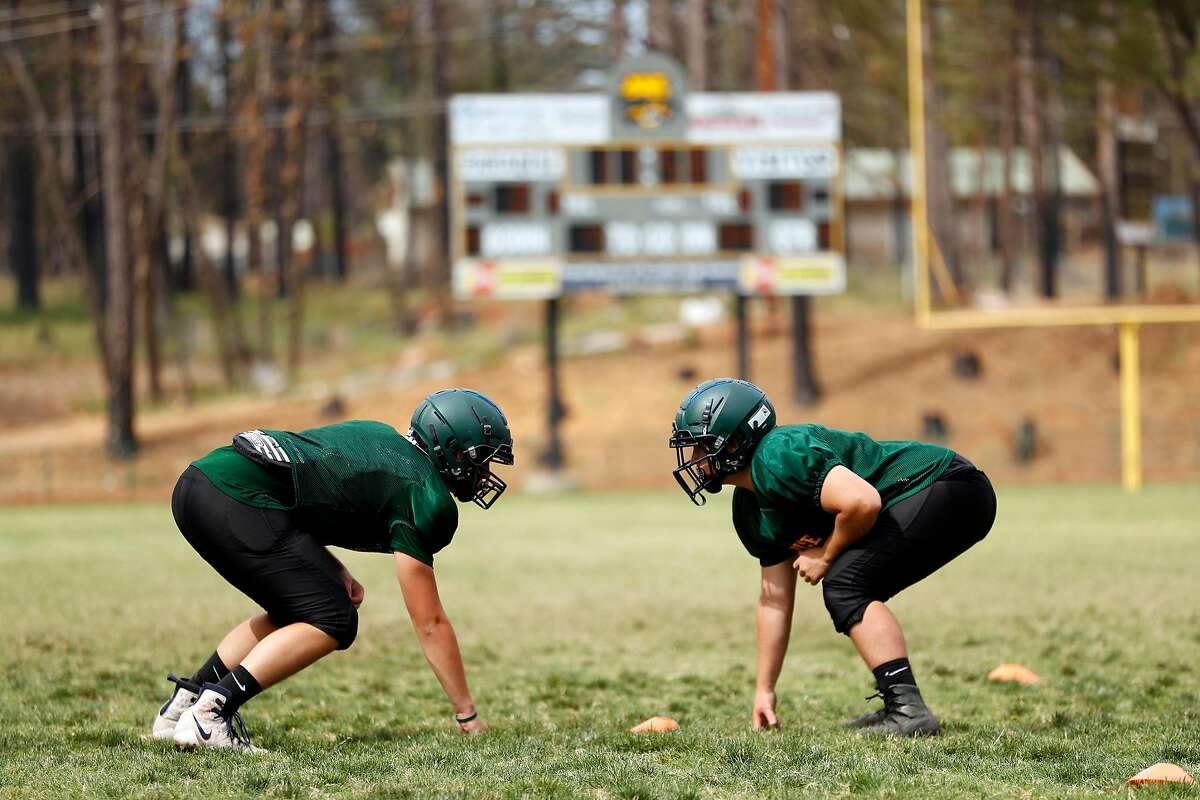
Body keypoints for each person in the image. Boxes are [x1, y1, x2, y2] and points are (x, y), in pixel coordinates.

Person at [152, 388, 514, 751]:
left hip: (200, 484)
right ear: (450, 451)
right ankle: (211, 713)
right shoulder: (425, 494)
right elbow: (429, 622)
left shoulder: (380, 435)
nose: (485, 473)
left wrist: (331, 568)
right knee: (335, 618)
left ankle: (184, 704)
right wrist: (466, 712)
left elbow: (307, 489)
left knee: (301, 610)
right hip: (238, 498)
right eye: (481, 460)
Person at [668, 378, 996, 737]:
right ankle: (902, 708)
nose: (694, 459)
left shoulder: (778, 453)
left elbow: (862, 502)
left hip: (945, 485)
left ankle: (908, 711)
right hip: (938, 495)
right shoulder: (749, 509)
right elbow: (774, 600)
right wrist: (764, 688)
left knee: (845, 582)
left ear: (733, 443)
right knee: (849, 583)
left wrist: (825, 555)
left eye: (700, 447)